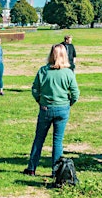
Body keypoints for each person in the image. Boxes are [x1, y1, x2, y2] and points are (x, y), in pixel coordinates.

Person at [23, 44, 79, 176]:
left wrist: (39, 100)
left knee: (39, 139)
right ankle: (56, 171)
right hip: (62, 108)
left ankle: (32, 168)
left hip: (46, 108)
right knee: (57, 141)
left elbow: (35, 89)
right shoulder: (68, 73)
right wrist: (69, 103)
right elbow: (75, 93)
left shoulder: (43, 71)